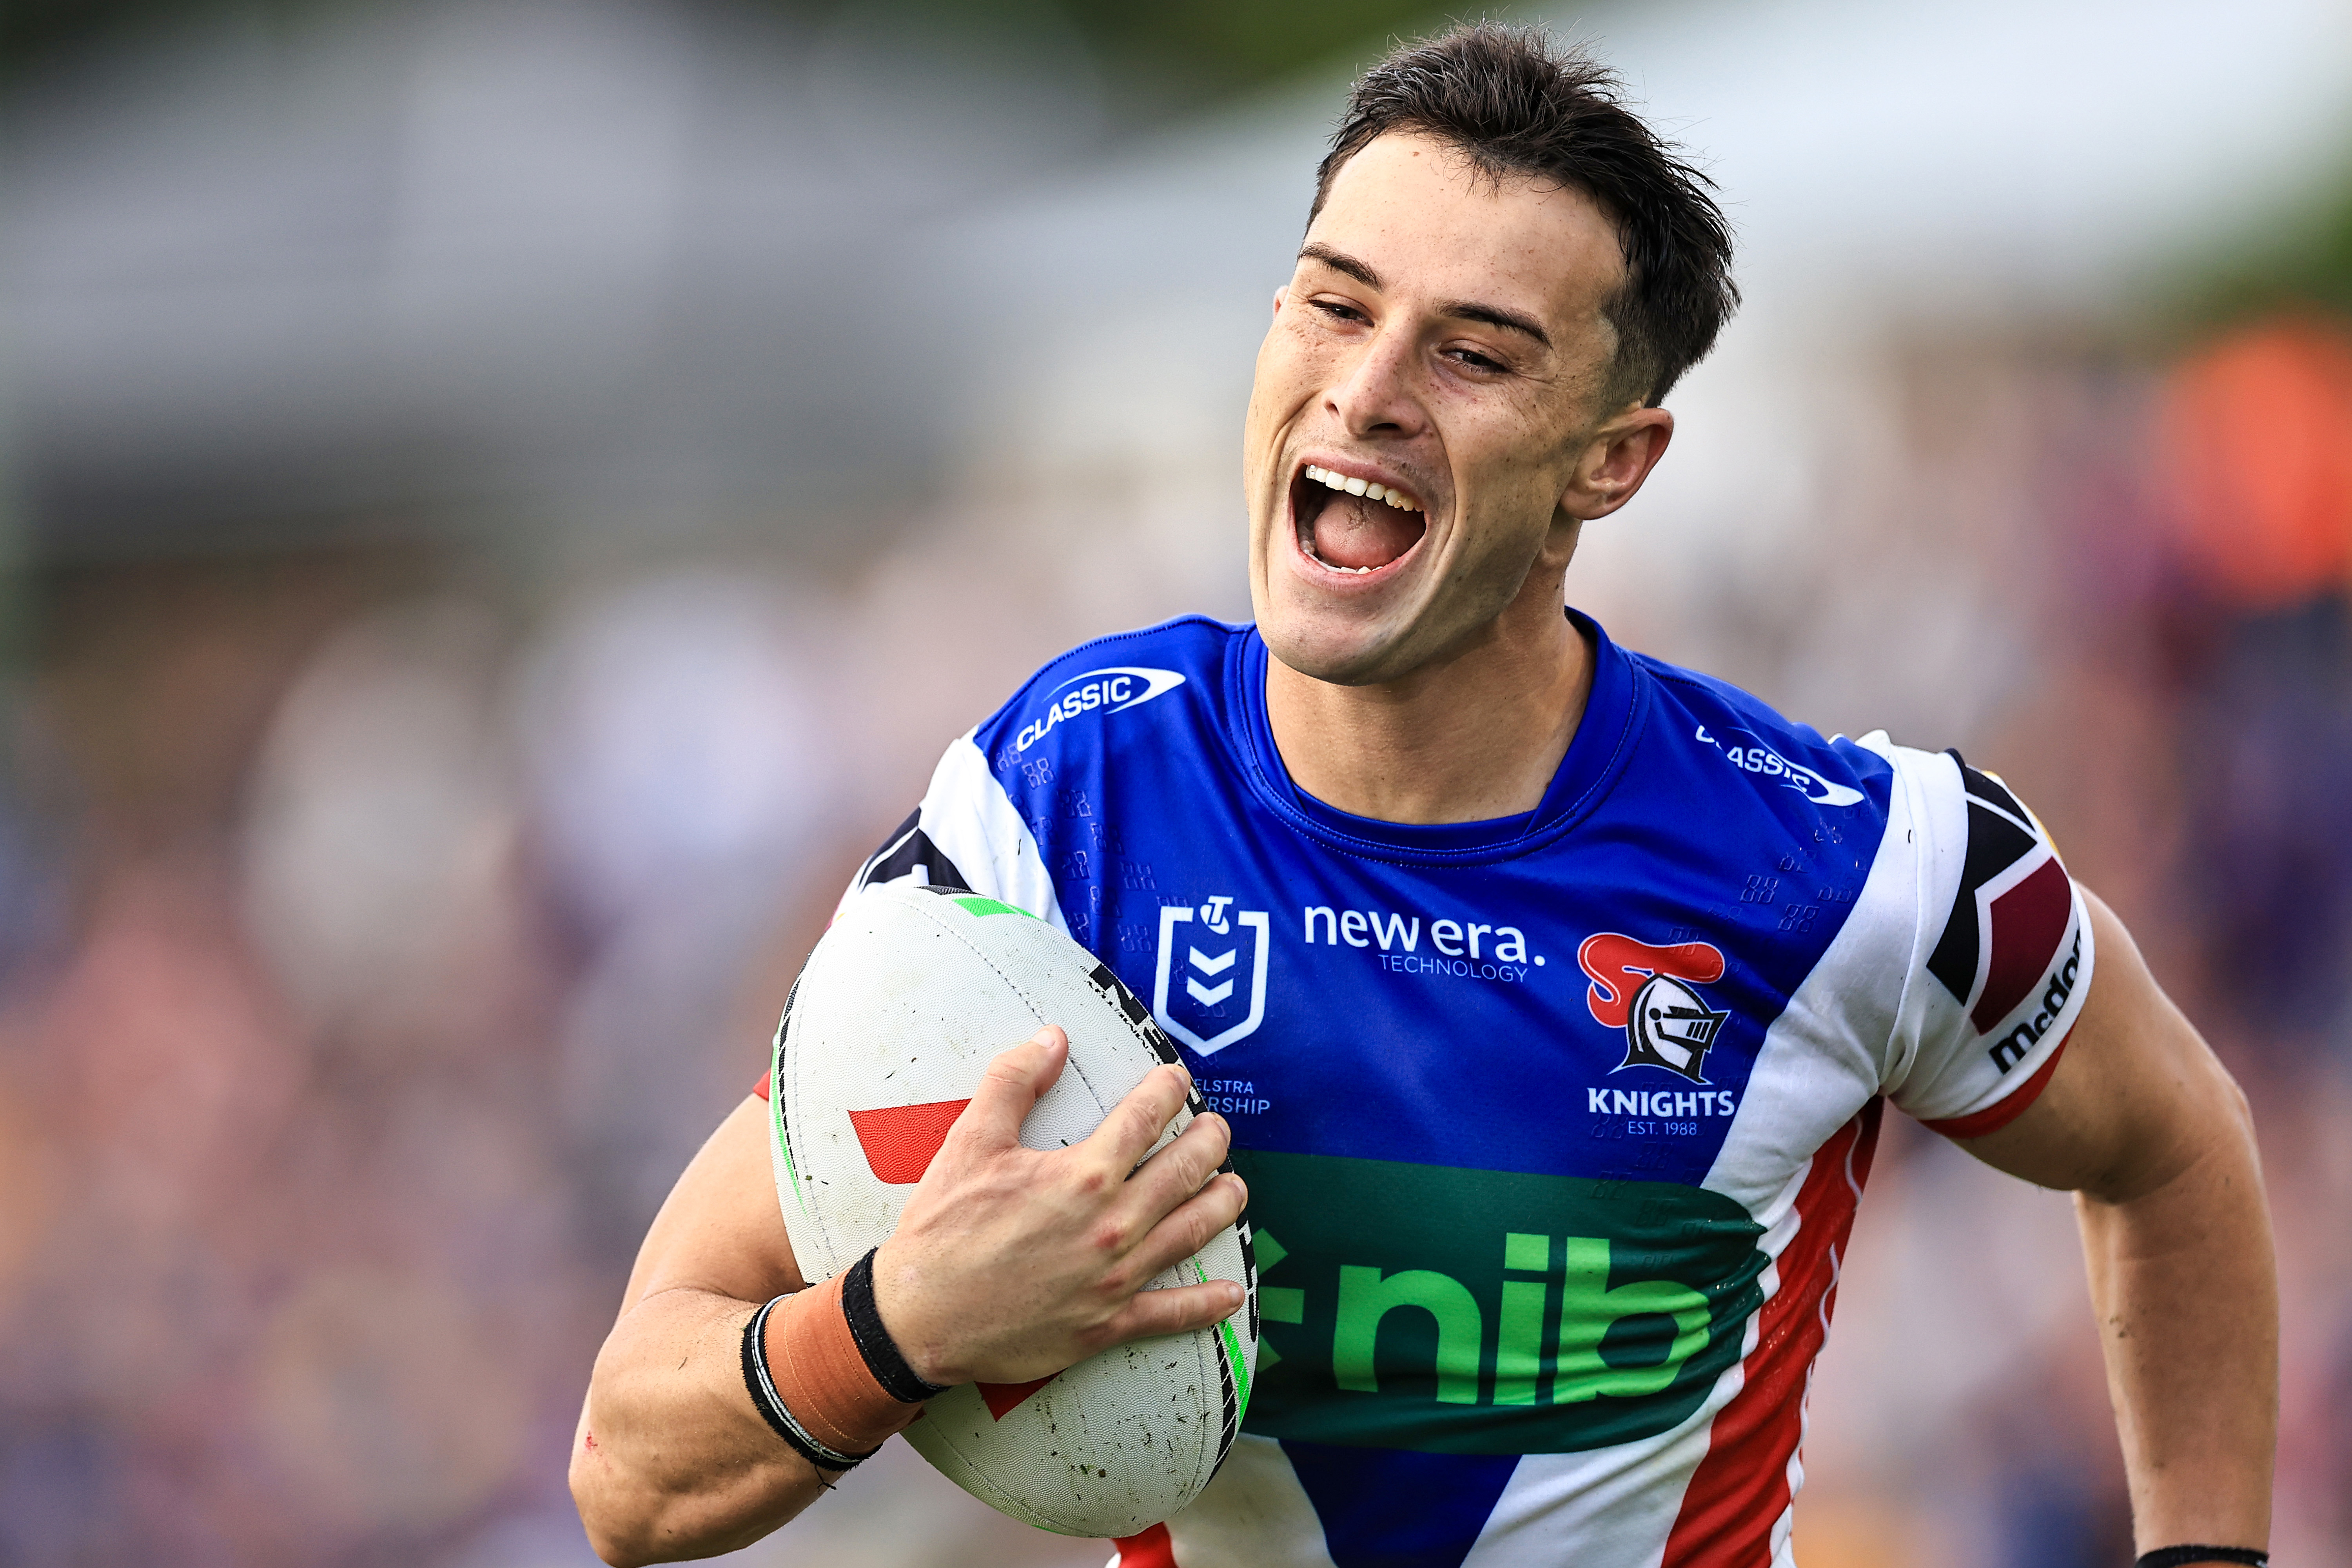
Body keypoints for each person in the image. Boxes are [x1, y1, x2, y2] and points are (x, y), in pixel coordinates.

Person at [570, 24, 2277, 1568]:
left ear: (1612, 458)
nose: (1367, 386)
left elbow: (2175, 1145)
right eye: (1332, 299)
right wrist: (899, 1323)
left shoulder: (1859, 864)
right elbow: (629, 1473)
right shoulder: (1054, 810)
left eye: (1474, 352)